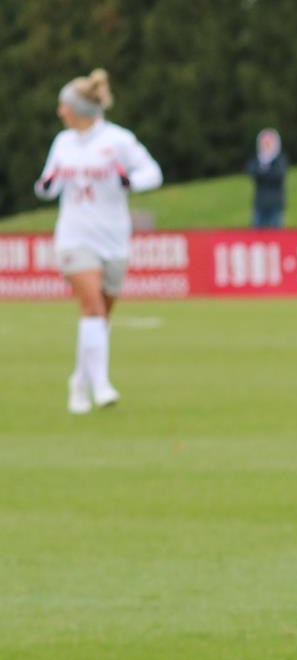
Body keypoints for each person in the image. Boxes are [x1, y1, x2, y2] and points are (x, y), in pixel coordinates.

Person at [33, 69, 161, 415]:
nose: (60, 112)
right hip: (74, 237)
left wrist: (128, 182)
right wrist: (46, 185)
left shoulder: (118, 140)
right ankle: (101, 385)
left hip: (114, 238)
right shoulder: (62, 143)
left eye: (64, 106)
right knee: (92, 307)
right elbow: (49, 185)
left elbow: (153, 173)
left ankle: (78, 380)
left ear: (78, 109)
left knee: (99, 317)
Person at [246, 128, 287, 229]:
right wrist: (265, 171)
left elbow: (278, 176)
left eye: (269, 143)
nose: (266, 145)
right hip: (260, 203)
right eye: (264, 143)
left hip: (275, 203)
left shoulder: (280, 159)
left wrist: (263, 172)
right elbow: (250, 172)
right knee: (256, 235)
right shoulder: (258, 159)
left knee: (275, 234)